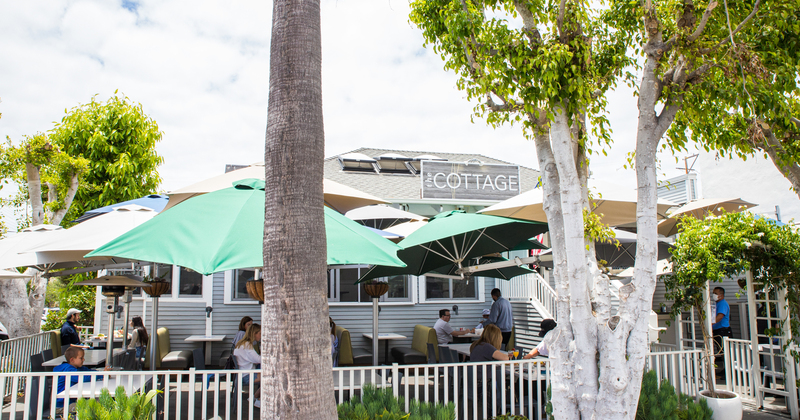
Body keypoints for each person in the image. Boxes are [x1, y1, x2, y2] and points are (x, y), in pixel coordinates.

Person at [234, 323, 261, 408]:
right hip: (246, 375)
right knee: (271, 377)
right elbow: (258, 360)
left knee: (267, 374)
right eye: (260, 333)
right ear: (254, 334)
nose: (261, 336)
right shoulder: (247, 345)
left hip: (242, 373)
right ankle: (258, 400)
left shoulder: (242, 343)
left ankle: (254, 397)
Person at [711, 287, 731, 373]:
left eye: (716, 293)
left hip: (722, 330)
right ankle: (725, 369)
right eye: (713, 293)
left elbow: (720, 316)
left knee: (724, 350)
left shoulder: (722, 304)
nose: (714, 295)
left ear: (721, 295)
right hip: (717, 329)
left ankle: (728, 370)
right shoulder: (716, 304)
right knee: (720, 350)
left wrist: (710, 323)